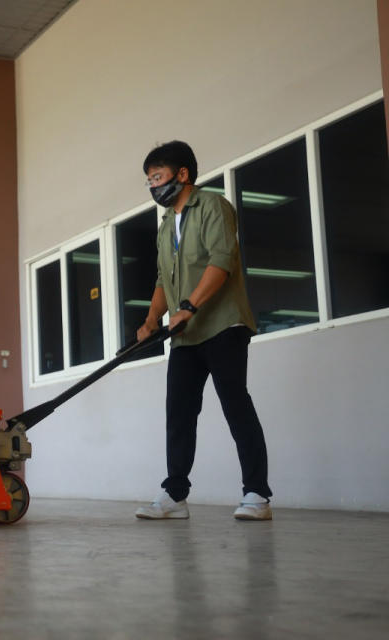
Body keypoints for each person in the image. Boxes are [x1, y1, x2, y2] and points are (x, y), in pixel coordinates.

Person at [134, 141, 272, 521]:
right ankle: (174, 496)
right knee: (178, 411)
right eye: (148, 181)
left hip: (222, 323)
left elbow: (223, 260)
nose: (153, 187)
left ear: (182, 174)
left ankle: (257, 495)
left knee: (235, 405)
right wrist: (150, 321)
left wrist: (189, 307)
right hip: (185, 335)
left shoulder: (213, 206)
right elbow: (164, 279)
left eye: (157, 177)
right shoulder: (165, 227)